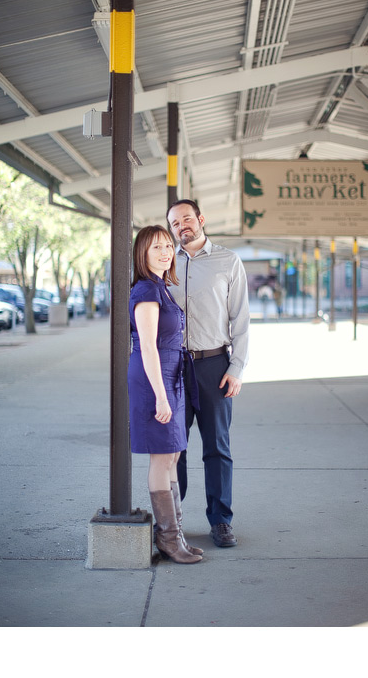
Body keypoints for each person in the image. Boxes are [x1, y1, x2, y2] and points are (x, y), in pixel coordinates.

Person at [166, 199, 250, 548]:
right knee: (175, 447)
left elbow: (241, 318)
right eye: (174, 223)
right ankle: (174, 520)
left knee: (217, 446)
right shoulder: (164, 261)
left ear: (200, 219)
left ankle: (220, 520)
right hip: (173, 367)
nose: (182, 225)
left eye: (187, 218)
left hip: (214, 364)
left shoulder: (228, 261)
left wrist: (237, 367)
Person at [129, 225, 203, 564]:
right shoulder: (146, 289)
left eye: (168, 246)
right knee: (162, 455)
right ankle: (169, 540)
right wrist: (160, 396)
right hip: (154, 377)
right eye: (156, 247)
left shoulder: (162, 286)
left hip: (171, 373)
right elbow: (147, 346)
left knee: (173, 453)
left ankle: (175, 536)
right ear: (142, 253)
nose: (164, 252)